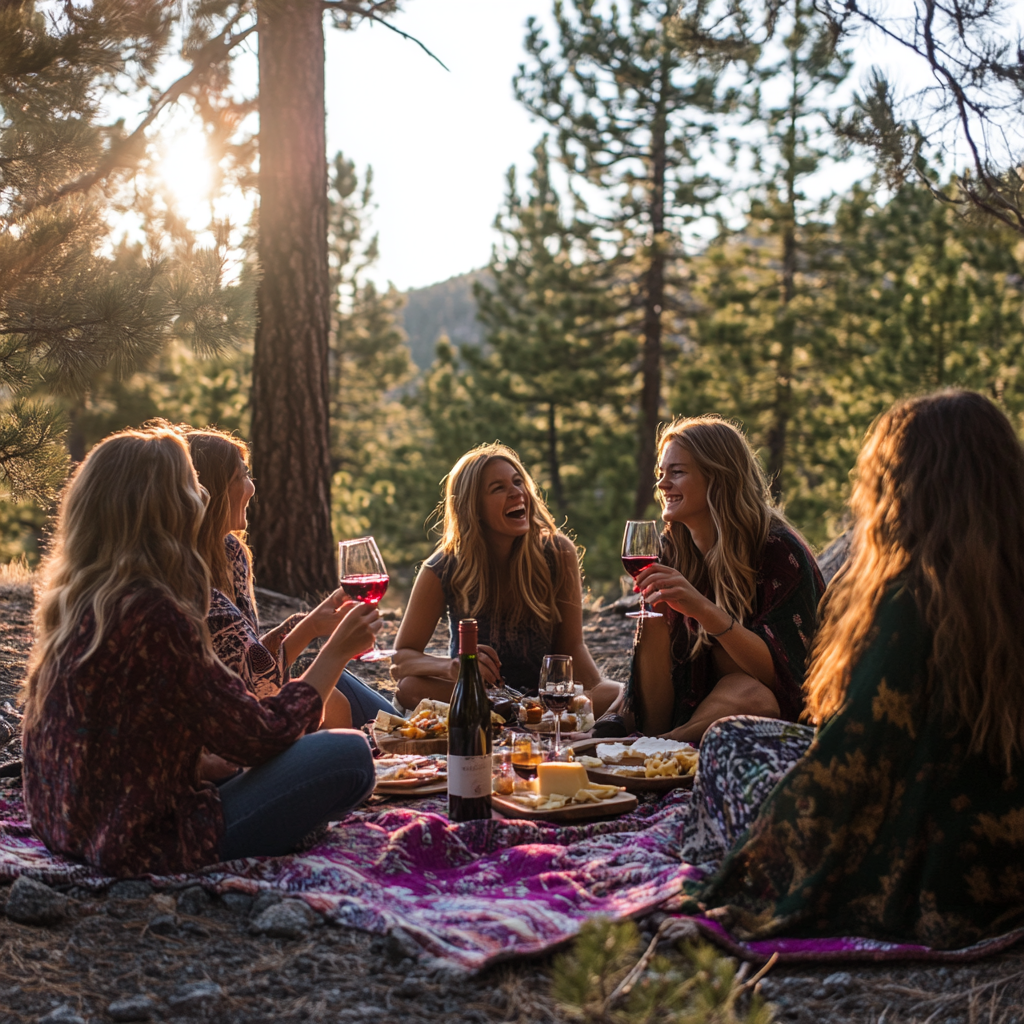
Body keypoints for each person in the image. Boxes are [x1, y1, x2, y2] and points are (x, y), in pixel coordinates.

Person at [683, 390, 1024, 948]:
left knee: (730, 745)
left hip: (941, 850)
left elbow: (854, 758)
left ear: (906, 483)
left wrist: (762, 861)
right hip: (1008, 829)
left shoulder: (913, 597)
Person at [21, 426, 379, 877]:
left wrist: (193, 762)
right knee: (348, 756)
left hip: (70, 826)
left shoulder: (78, 601)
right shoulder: (155, 613)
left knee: (320, 737)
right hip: (148, 841)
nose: (201, 498)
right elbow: (261, 736)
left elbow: (115, 735)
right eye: (191, 486)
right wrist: (335, 652)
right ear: (167, 507)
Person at [626, 415, 824, 744]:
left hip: (779, 714)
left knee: (747, 693)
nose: (662, 484)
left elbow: (784, 676)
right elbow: (657, 682)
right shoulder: (674, 549)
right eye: (661, 473)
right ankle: (655, 742)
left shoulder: (777, 551)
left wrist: (701, 608)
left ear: (718, 477)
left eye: (677, 472)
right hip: (699, 706)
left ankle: (664, 747)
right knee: (654, 619)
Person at [186, 427, 395, 731]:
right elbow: (255, 691)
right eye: (241, 477)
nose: (252, 488)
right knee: (339, 714)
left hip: (252, 711)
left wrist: (311, 625)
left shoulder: (230, 552)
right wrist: (335, 649)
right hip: (236, 735)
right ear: (212, 492)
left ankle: (419, 754)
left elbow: (253, 665)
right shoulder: (193, 588)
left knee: (362, 701)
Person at [393, 443, 621, 716]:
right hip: (479, 699)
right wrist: (452, 667)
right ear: (473, 507)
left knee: (617, 694)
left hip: (543, 701)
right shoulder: (443, 567)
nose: (517, 493)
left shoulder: (558, 553)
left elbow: (571, 647)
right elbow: (400, 660)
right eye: (498, 488)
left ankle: (524, 721)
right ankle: (514, 721)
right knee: (410, 688)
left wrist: (596, 691)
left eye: (518, 482)